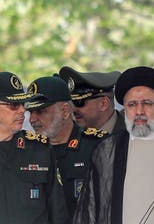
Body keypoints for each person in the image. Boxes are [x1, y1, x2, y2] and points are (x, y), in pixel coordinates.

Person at [73, 66, 154, 224]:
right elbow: (90, 210)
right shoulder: (106, 149)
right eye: (132, 104)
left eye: (147, 103)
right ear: (125, 108)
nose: (139, 111)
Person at [0, 72, 69, 223]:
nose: (23, 110)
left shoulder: (40, 149)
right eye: (14, 105)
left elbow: (58, 212)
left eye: (23, 104)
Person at [25, 75, 114, 217]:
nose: (32, 119)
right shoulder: (28, 151)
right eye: (30, 112)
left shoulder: (99, 146)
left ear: (65, 111)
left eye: (41, 111)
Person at [59, 66, 124, 133]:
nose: (73, 109)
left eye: (79, 102)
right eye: (71, 103)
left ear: (103, 104)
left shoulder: (131, 133)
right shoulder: (69, 134)